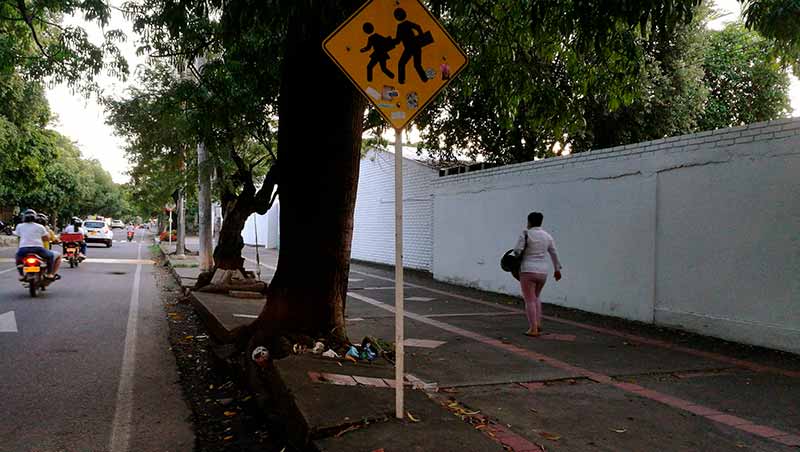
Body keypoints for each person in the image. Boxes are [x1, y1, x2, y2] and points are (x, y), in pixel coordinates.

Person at [512, 211, 562, 337]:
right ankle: (538, 323)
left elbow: (517, 251)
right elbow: (554, 253)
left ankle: (533, 328)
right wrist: (557, 269)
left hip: (527, 270)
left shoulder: (526, 233)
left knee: (529, 300)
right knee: (536, 297)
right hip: (543, 272)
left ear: (529, 221)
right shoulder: (547, 236)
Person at [13, 209, 59, 279]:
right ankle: (49, 274)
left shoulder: (19, 226)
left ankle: (21, 275)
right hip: (38, 249)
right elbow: (46, 238)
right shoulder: (40, 227)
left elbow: (17, 235)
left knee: (18, 258)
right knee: (50, 256)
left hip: (23, 249)